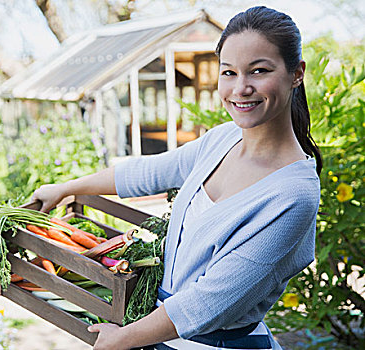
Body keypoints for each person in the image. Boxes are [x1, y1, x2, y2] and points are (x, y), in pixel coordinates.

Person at [32, 6, 322, 350]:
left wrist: (124, 338)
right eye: (228, 73)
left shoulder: (293, 194)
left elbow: (210, 302)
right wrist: (66, 188)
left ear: (296, 73)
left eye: (259, 71)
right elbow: (149, 172)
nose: (241, 88)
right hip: (163, 335)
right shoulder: (222, 139)